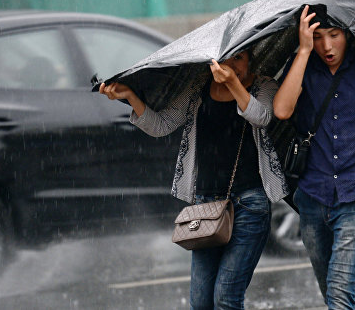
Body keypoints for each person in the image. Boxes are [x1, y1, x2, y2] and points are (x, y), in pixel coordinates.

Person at [100, 49, 288, 309]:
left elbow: (261, 117)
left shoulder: (263, 85)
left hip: (249, 205)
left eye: (240, 58)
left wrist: (233, 82)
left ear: (251, 59)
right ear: (213, 62)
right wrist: (131, 96)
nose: (232, 65)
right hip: (205, 206)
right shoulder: (198, 86)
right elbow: (162, 125)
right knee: (200, 302)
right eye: (226, 59)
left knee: (226, 297)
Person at [273, 5, 355, 309]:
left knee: (339, 295)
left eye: (334, 35)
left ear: (347, 32)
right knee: (333, 297)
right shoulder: (302, 63)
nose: (327, 46)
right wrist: (304, 51)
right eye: (318, 37)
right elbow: (281, 110)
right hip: (312, 198)